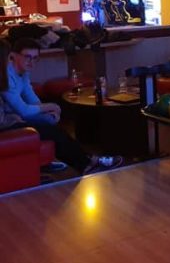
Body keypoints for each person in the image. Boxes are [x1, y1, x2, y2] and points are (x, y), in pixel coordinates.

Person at [0, 39, 122, 175]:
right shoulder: (5, 76)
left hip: (13, 118)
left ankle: (80, 160)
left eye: (35, 58)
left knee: (51, 123)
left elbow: (31, 98)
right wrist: (51, 106)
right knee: (53, 131)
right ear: (13, 56)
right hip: (9, 122)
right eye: (27, 57)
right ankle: (86, 163)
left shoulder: (22, 73)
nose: (31, 62)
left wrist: (48, 111)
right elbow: (22, 111)